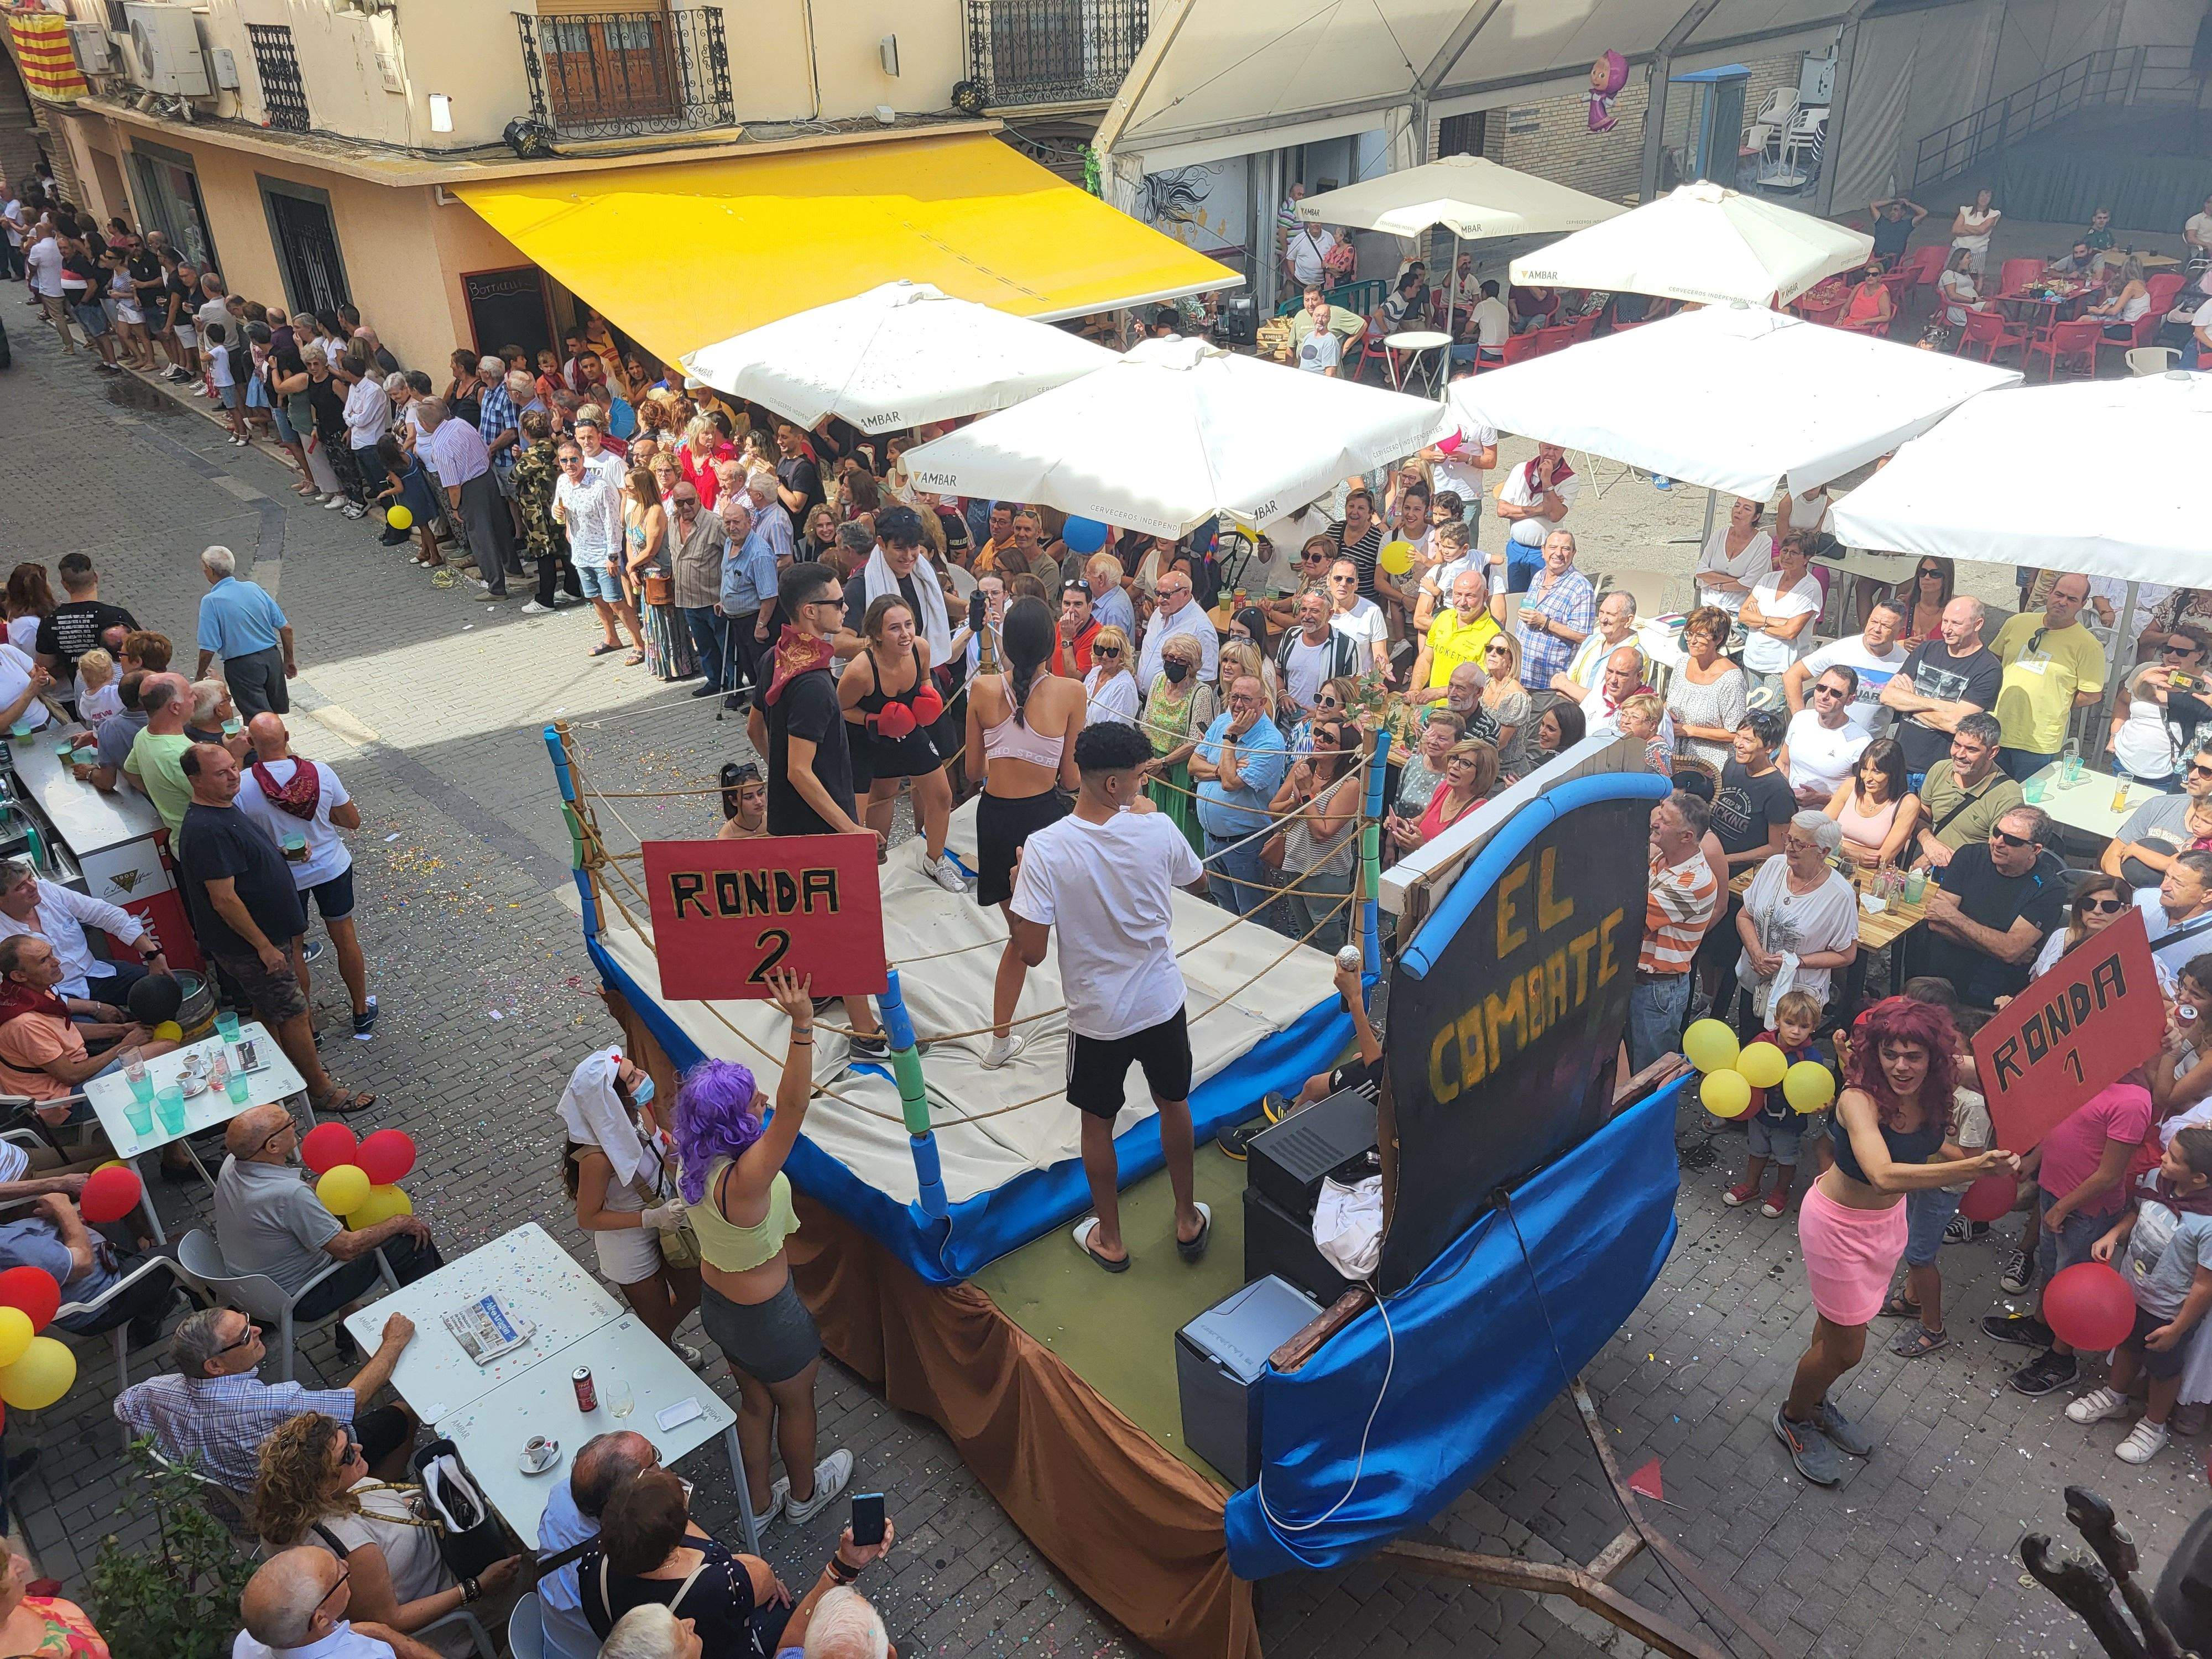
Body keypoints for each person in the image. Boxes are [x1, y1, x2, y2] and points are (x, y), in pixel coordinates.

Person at [998, 719, 1214, 1271]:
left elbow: (1031, 952)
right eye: (1140, 776)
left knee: (1096, 1123)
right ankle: (1187, 1217)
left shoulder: (1045, 850)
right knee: (1175, 1102)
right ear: (1113, 785)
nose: (1145, 784)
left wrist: (1015, 891)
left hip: (1098, 1015)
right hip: (1161, 999)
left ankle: (1111, 1239)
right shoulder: (1159, 829)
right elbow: (1199, 882)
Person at [1776, 997, 2014, 1483]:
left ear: (1934, 1058)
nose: (1901, 1067)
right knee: (1848, 1349)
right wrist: (1975, 1165)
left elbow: (2013, 1064)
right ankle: (1794, 1418)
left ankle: (1816, 1401)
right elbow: (1883, 1175)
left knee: (1836, 1327)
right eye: (1890, 1054)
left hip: (1886, 1227)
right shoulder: (1858, 1099)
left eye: (1914, 1056)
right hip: (1838, 1228)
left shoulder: (1940, 1078)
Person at [676, 978, 853, 1525]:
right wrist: (803, 1025)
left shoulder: (692, 1161)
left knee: (755, 1404)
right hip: (769, 1319)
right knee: (796, 1404)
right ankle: (803, 1497)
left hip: (722, 1310)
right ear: (730, 1119)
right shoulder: (746, 1180)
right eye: (753, 1097)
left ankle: (756, 1506)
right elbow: (796, 1107)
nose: (764, 1099)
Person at [176, 742, 368, 1114]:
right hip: (251, 946)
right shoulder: (206, 829)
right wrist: (264, 947)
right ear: (195, 780)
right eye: (221, 773)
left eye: (233, 767)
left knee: (269, 1011)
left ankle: (269, 1079)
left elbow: (242, 865)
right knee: (294, 1013)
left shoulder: (224, 809)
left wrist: (277, 857)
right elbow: (224, 900)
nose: (234, 775)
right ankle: (320, 1090)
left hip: (263, 938)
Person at [252, 1412, 522, 1650]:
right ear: (322, 1485)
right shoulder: (351, 1547)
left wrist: (422, 1506)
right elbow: (389, 1621)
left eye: (347, 1435)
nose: (358, 1447)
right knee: (534, 1562)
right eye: (347, 1455)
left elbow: (380, 1511)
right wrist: (477, 1587)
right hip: (453, 1598)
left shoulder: (292, 1504)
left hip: (443, 1544)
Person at [117, 1306, 416, 1494]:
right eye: (246, 1335)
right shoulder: (275, 1403)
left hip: (244, 1501)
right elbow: (352, 1403)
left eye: (246, 1320)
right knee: (404, 1411)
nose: (258, 1330)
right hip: (304, 1491)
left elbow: (123, 1406)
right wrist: (394, 1342)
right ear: (215, 1367)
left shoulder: (157, 1389)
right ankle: (378, 1495)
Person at [967, 597, 1086, 1067]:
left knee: (1020, 936)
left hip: (995, 817)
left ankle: (998, 1041)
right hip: (1043, 821)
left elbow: (973, 770)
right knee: (1067, 929)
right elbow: (1073, 779)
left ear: (1007, 642)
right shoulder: (1071, 692)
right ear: (1051, 643)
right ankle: (1089, 1021)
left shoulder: (980, 689)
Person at [1985, 1081, 2162, 1394]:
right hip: (2054, 1192)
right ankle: (2042, 1325)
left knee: (2074, 1285)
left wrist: (2062, 1209)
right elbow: (2062, 1122)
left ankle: (2062, 1359)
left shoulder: (2133, 1101)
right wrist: (2035, 1161)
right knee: (2052, 1267)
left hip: (2085, 1212)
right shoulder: (2086, 1073)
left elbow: (2109, 1175)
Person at [2060, 1129, 2212, 1463]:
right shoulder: (2160, 1180)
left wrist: (2177, 1328)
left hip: (2169, 1312)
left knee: (2164, 1368)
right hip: (2130, 1292)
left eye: (2172, 1158)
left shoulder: (2208, 1224)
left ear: (2200, 1178)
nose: (2162, 1158)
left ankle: (2154, 1426)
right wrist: (2114, 1235)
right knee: (2126, 1343)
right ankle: (2116, 1397)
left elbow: (2204, 1285)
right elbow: (2138, 1211)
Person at [236, 714, 375, 1041]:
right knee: (344, 938)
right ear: (287, 735)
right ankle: (360, 1012)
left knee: (295, 950)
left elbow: (245, 839)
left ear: (252, 744)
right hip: (331, 868)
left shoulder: (243, 785)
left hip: (283, 880)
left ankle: (307, 1026)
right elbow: (351, 820)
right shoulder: (320, 773)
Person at [557, 1046, 699, 1361]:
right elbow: (589, 1218)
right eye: (634, 1078)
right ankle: (661, 1356)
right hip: (629, 1244)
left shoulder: (638, 1110)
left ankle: (656, 1345)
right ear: (614, 1100)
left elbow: (660, 1140)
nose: (644, 1078)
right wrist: (650, 1219)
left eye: (636, 1071)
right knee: (658, 1319)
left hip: (668, 1222)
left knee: (695, 1290)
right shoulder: (596, 1159)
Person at [580, 1467, 789, 1658]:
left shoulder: (593, 1558)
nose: (690, 1623)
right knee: (783, 1608)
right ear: (672, 1540)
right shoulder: (716, 1584)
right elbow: (764, 1579)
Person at [838, 596, 962, 893]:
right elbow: (840, 710)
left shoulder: (920, 648)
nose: (905, 633)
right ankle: (867, 872)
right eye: (895, 628)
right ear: (877, 634)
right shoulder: (860, 670)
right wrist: (875, 720)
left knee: (942, 796)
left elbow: (924, 679)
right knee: (871, 807)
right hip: (865, 739)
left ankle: (935, 860)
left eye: (908, 624)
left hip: (908, 727)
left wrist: (928, 696)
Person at [0, 933, 173, 1122]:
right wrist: (124, 1047)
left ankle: (169, 1139)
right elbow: (71, 1076)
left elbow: (63, 1030)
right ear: (19, 975)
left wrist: (122, 1029)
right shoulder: (24, 1024)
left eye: (51, 954)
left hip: (73, 1075)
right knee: (166, 1050)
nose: (56, 961)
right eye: (44, 961)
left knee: (154, 1066)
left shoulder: (28, 992)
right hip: (63, 1103)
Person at [1914, 805, 2066, 1006]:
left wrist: (1953, 917)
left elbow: (2010, 949)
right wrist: (2000, 948)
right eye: (1997, 833)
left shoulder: (2049, 888)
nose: (1998, 843)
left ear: (2035, 850)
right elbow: (1935, 922)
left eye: (2012, 840)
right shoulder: (1970, 856)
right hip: (1940, 978)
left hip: (1994, 992)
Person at [1733, 811, 1859, 1039]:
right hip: (1756, 985)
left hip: (1797, 1001)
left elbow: (1846, 954)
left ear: (1824, 852)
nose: (1790, 847)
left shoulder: (1839, 895)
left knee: (1787, 1062)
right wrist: (1756, 952)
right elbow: (1745, 916)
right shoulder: (1773, 866)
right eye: (1788, 839)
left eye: (1800, 844)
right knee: (1750, 1045)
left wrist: (1796, 962)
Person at [1630, 794, 1718, 1072]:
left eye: (1665, 821)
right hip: (1642, 981)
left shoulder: (1695, 882)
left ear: (1687, 836)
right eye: (1659, 813)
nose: (1655, 822)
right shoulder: (1664, 858)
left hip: (1657, 990)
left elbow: (1633, 917)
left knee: (1649, 1075)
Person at [0, 856, 166, 1004]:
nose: (33, 887)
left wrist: (153, 954)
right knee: (94, 1037)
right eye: (21, 886)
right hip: (58, 997)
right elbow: (19, 994)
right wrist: (96, 1009)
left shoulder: (46, 890)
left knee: (165, 987)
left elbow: (105, 914)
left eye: (31, 878)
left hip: (96, 972)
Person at [1191, 674, 1289, 922]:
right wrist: (1221, 768)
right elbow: (1193, 765)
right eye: (1234, 697)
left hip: (1244, 843)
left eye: (1246, 699)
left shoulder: (1270, 741)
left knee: (1251, 914)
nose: (1237, 705)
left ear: (1262, 703)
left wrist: (1229, 739)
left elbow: (1231, 783)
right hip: (1211, 838)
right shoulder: (1224, 720)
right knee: (1223, 906)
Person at [237, 1544, 447, 1659]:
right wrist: (386, 1634)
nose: (346, 1565)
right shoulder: (369, 1656)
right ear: (320, 1619)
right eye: (338, 1575)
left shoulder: (248, 1642)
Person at [1989, 572, 2104, 780]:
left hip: (2038, 741)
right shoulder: (2018, 622)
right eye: (2059, 595)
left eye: (2072, 599)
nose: (2062, 602)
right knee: (1986, 797)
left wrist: (2056, 700)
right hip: (1996, 728)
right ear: (2050, 593)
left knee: (2023, 806)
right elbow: (1993, 660)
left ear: (2083, 604)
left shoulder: (2088, 645)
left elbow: (2092, 694)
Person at [1725, 988, 1827, 1218]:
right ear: (1777, 1020)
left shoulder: (1811, 1058)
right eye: (1789, 1023)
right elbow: (1745, 1068)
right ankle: (1751, 1186)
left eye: (1804, 1026)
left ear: (1813, 1028)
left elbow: (1819, 1088)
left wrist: (1823, 1104)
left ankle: (1781, 1192)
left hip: (1790, 1121)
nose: (1795, 1031)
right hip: (1759, 1114)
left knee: (1786, 1157)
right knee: (1757, 1151)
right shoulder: (1762, 1043)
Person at [1881, 596, 2001, 780]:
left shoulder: (1988, 669)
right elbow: (1888, 695)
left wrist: (1909, 704)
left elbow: (1955, 724)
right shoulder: (1927, 649)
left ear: (1978, 624)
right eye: (1945, 621)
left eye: (1956, 623)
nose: (1946, 629)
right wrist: (1940, 705)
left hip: (1939, 771)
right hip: (1899, 760)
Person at [1270, 719, 1361, 950]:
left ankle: (1337, 983)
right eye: (1319, 733)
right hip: (1294, 863)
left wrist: (1305, 792)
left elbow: (1323, 832)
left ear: (1343, 750)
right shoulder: (1303, 767)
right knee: (1306, 934)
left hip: (1325, 871)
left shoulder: (1349, 785)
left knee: (1327, 937)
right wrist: (1296, 798)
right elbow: (1273, 811)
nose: (1319, 739)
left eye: (1329, 738)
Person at [193, 546, 294, 719]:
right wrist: (288, 661)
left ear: (210, 571)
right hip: (272, 659)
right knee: (272, 717)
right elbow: (286, 629)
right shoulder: (253, 588)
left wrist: (199, 677)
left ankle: (273, 744)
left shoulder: (211, 601)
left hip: (243, 667)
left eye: (204, 567)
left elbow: (208, 650)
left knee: (260, 721)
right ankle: (278, 743)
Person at [1910, 713, 2022, 868]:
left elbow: (1999, 855)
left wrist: (1941, 859)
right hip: (1926, 867)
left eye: (1971, 749)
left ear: (1992, 753)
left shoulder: (2007, 795)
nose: (1959, 755)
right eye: (1957, 745)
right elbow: (1920, 819)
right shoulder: (1940, 770)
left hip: (1967, 876)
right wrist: (1929, 843)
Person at [1138, 632, 1215, 853]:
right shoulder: (1158, 682)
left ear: (1192, 665)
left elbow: (1195, 741)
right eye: (1169, 658)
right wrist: (1151, 761)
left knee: (1180, 828)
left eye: (1181, 661)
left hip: (1181, 768)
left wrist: (1164, 764)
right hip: (1153, 764)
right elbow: (1146, 723)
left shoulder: (1201, 693)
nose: (1173, 664)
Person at [2109, 627, 2212, 791]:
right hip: (2125, 760)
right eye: (2168, 649)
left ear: (2199, 655)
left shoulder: (2207, 685)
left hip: (2167, 772)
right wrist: (2114, 735)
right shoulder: (2148, 670)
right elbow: (2123, 701)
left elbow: (2151, 697)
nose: (2172, 656)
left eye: (2182, 652)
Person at [1787, 599, 1907, 736]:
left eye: (1886, 626)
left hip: (1871, 746)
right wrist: (1800, 719)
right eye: (1873, 622)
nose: (1877, 629)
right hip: (1827, 736)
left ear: (1900, 632)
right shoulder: (1843, 648)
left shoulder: (1906, 662)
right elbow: (1792, 675)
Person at [1738, 533, 1824, 699]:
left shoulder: (1811, 588)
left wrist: (1758, 624)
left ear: (1806, 558)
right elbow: (1743, 615)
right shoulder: (1767, 579)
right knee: (1752, 712)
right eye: (1785, 550)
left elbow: (1790, 632)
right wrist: (1769, 621)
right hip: (1752, 659)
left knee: (1770, 718)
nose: (1787, 556)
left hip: (1781, 666)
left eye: (1794, 553)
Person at [1665, 606, 1749, 770]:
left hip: (1709, 766)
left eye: (1701, 635)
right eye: (1689, 634)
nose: (1692, 641)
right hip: (1673, 756)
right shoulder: (1682, 664)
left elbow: (1735, 734)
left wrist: (1689, 731)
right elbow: (1669, 704)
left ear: (1718, 639)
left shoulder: (1731, 679)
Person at [34, 551, 135, 684]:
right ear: (96, 577)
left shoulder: (51, 621)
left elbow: (46, 664)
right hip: (121, 689)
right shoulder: (117, 616)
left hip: (80, 692)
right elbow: (144, 649)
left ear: (65, 585)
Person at [1515, 530, 1596, 695]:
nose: (1558, 553)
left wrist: (1546, 623)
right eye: (1553, 547)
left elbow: (1585, 637)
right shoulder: (1539, 576)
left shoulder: (1581, 588)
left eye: (1565, 549)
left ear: (1573, 553)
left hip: (1548, 684)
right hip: (1522, 675)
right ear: (1543, 551)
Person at [1780, 666, 1872, 808]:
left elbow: (1865, 797)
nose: (1824, 696)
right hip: (1787, 812)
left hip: (1828, 821)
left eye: (1835, 693)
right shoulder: (1800, 719)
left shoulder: (1861, 742)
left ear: (1850, 700)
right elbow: (1783, 764)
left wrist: (1822, 799)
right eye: (1821, 688)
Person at [1493, 448, 1578, 599]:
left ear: (1564, 449)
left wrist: (1547, 482)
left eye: (1556, 449)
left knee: (1542, 597)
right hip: (1517, 549)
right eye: (1547, 448)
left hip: (1542, 552)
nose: (1551, 453)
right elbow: (1502, 510)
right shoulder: (1521, 470)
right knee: (1517, 597)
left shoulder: (1570, 479)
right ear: (1540, 446)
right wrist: (1541, 509)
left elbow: (1555, 515)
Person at [1827, 737, 1919, 868]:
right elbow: (1817, 832)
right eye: (1864, 769)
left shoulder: (1908, 804)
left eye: (1877, 772)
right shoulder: (1850, 786)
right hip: (1831, 862)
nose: (1867, 778)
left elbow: (1882, 860)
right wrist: (1851, 853)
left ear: (1893, 773)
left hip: (1869, 873)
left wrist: (1835, 846)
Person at [1692, 497, 1775, 620]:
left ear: (1756, 517)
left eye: (1746, 509)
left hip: (1737, 613)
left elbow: (1750, 583)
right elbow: (1700, 572)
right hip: (1707, 608)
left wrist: (1718, 585)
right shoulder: (1719, 534)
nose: (1739, 511)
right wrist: (1736, 581)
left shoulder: (1763, 542)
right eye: (1737, 506)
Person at [1135, 566, 1217, 690]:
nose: (1160, 600)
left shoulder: (1201, 629)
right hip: (1146, 700)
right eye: (1158, 594)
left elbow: (1207, 681)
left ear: (1185, 594)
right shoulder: (1159, 613)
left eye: (1167, 595)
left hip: (1173, 706)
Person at [2136, 849, 2212, 980]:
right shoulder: (2141, 900)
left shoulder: (2208, 944)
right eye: (2167, 876)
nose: (2163, 887)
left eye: (2177, 883)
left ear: (2208, 895)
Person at [1554, 590, 1640, 699]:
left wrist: (1564, 685)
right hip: (1575, 711)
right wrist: (1566, 687)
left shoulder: (1635, 655)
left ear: (1628, 620)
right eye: (1601, 612)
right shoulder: (1592, 641)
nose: (1603, 620)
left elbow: (1607, 703)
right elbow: (1562, 686)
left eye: (1611, 614)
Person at [1324, 557, 1390, 684]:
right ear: (1328, 580)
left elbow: (1381, 658)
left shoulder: (1372, 612)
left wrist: (1376, 684)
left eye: (1350, 580)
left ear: (1357, 584)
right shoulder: (1319, 609)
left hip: (1358, 689)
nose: (1343, 584)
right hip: (1324, 687)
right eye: (1338, 578)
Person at [1083, 624, 1139, 727]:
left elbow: (1116, 732)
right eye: (1100, 649)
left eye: (1112, 651)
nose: (1105, 656)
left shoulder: (1124, 687)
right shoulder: (1094, 673)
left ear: (1122, 653)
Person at [1950, 187, 2001, 276]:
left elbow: (1982, 230)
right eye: (1982, 195)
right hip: (1958, 249)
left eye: (1988, 196)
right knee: (1951, 275)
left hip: (1977, 251)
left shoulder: (1994, 214)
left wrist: (1965, 226)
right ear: (1977, 197)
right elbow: (1956, 230)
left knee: (1972, 279)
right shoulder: (1966, 210)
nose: (1984, 198)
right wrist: (1976, 231)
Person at [1868, 195, 1928, 264]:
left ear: (1903, 213)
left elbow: (1924, 213)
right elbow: (1872, 205)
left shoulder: (1907, 225)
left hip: (1890, 260)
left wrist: (1908, 204)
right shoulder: (1881, 221)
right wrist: (1893, 201)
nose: (1892, 212)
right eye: (1891, 210)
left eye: (1896, 210)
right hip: (1875, 257)